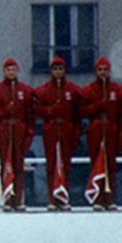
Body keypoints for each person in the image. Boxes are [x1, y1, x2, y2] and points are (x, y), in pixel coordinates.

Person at [0, 58, 35, 212]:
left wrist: (28, 132)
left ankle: (18, 199)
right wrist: (3, 112)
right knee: (5, 164)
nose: (11, 72)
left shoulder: (25, 90)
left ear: (17, 71)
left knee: (19, 165)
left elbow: (30, 114)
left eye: (13, 69)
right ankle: (7, 197)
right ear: (4, 71)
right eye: (8, 69)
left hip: (19, 129)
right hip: (4, 129)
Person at [79, 57, 122, 210]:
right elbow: (81, 111)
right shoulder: (89, 90)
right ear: (96, 71)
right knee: (96, 163)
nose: (103, 73)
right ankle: (97, 198)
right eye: (100, 70)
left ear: (109, 71)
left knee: (111, 165)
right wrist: (97, 107)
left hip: (111, 130)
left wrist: (121, 135)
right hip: (96, 130)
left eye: (105, 69)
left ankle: (109, 197)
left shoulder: (117, 90)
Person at [35, 56, 81, 211]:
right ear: (51, 71)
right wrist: (49, 111)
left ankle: (64, 196)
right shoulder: (44, 89)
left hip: (66, 129)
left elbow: (77, 113)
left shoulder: (72, 89)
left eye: (60, 68)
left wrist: (75, 132)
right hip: (51, 129)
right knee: (51, 163)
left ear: (65, 70)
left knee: (65, 164)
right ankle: (52, 198)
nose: (58, 72)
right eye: (55, 69)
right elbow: (36, 108)